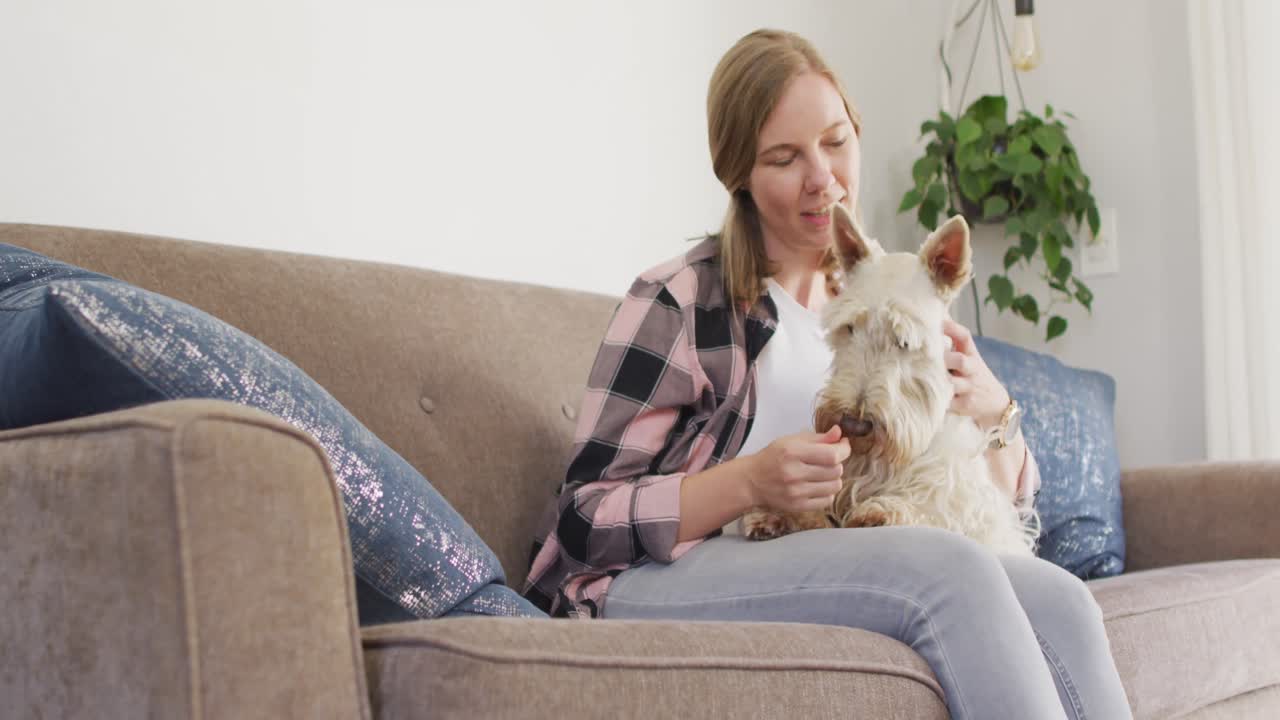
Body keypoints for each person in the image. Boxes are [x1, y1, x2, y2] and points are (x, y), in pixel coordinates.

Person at [523, 28, 1131, 720]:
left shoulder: (884, 297)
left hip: (834, 548)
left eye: (836, 142)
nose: (823, 177)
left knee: (1063, 600)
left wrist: (994, 412)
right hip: (652, 576)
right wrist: (747, 483)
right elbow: (582, 517)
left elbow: (990, 504)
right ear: (739, 175)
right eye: (784, 158)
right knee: (947, 571)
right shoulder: (682, 300)